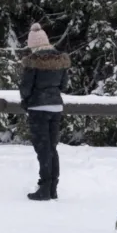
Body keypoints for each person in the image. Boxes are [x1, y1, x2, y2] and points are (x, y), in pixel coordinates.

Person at [20, 23, 70, 201]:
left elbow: (26, 88)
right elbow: (64, 86)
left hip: (38, 108)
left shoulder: (33, 62)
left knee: (43, 149)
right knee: (52, 148)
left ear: (33, 44)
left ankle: (44, 187)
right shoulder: (60, 61)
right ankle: (53, 187)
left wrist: (25, 101)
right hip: (56, 107)